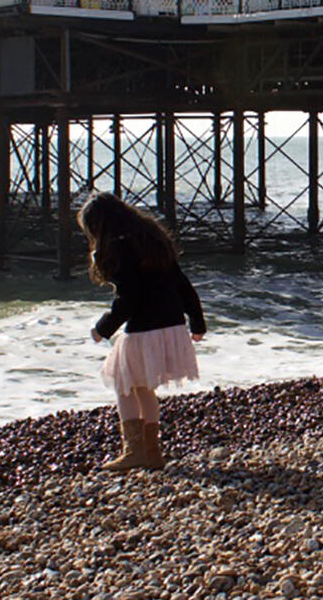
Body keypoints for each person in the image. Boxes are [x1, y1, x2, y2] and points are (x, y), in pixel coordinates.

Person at [81, 192, 207, 471]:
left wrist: (103, 328)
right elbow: (183, 284)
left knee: (124, 386)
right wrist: (197, 322)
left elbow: (129, 300)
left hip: (144, 330)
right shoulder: (151, 238)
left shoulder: (120, 248)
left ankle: (134, 451)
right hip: (172, 325)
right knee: (144, 389)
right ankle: (152, 453)